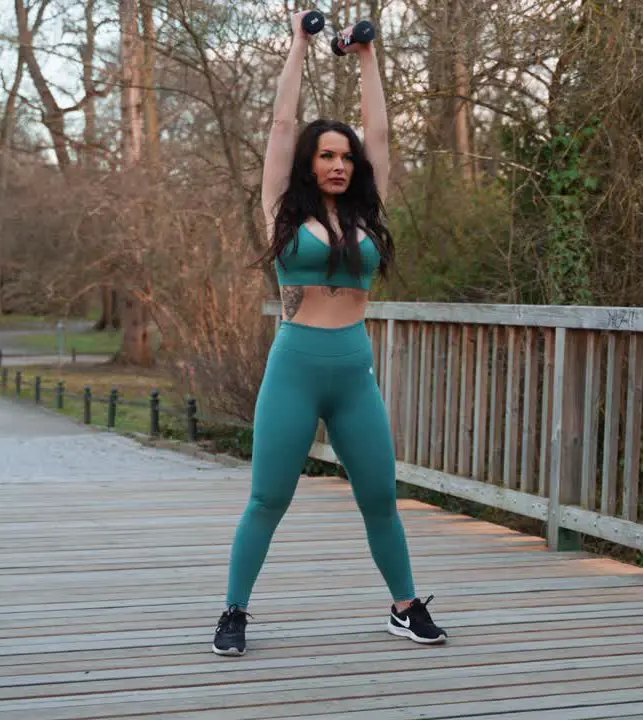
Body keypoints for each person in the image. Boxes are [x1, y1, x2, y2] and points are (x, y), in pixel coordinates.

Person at [211, 10, 447, 657]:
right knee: (268, 498)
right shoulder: (281, 212)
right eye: (327, 155)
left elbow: (380, 131)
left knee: (379, 494)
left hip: (353, 370)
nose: (339, 164)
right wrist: (300, 46)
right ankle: (234, 611)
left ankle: (404, 607)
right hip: (295, 367)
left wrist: (369, 58)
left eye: (345, 156)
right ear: (310, 164)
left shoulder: (369, 213)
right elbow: (282, 125)